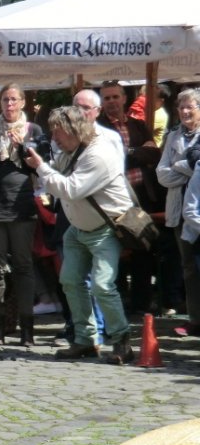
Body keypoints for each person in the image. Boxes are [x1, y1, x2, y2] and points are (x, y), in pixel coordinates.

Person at [25, 106, 134, 364]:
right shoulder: (70, 150)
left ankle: (122, 342)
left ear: (74, 129)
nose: (54, 136)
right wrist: (38, 165)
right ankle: (85, 341)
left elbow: (70, 189)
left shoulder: (99, 153)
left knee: (102, 285)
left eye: (57, 130)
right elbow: (55, 177)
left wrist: (41, 167)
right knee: (71, 281)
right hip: (78, 228)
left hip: (106, 227)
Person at [0, 83, 43, 347]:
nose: (9, 105)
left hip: (23, 207)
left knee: (24, 267)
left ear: (23, 103)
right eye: (5, 100)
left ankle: (27, 330)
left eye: (14, 100)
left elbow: (40, 167)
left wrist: (23, 146)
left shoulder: (33, 130)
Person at [98, 80, 160, 316]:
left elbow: (154, 153)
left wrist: (127, 153)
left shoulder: (139, 125)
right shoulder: (98, 127)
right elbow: (106, 161)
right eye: (107, 98)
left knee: (143, 247)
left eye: (115, 97)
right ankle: (119, 300)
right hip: (113, 198)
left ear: (124, 99)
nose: (112, 102)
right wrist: (137, 153)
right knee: (118, 249)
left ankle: (141, 303)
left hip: (142, 196)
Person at [157, 88, 200, 337]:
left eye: (190, 106)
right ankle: (195, 319)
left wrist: (181, 166)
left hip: (198, 209)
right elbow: (162, 174)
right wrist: (189, 168)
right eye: (181, 107)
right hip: (179, 212)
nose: (184, 111)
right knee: (188, 267)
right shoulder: (173, 136)